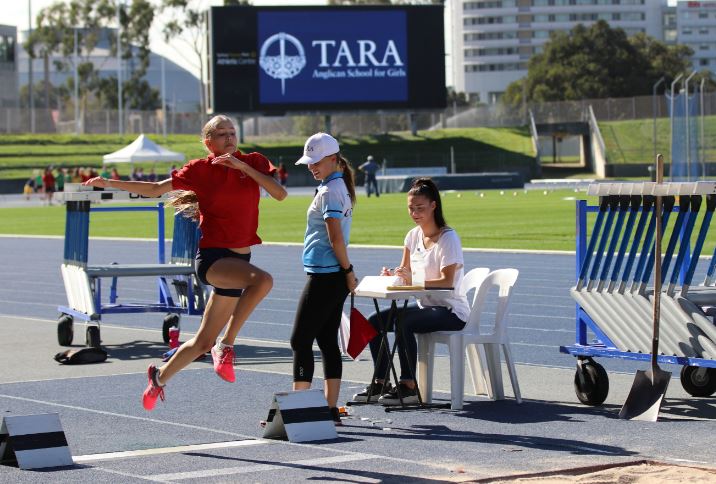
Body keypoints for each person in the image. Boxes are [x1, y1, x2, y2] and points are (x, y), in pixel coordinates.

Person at [83, 114, 288, 411]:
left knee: (201, 342)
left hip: (240, 262)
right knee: (263, 281)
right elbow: (155, 190)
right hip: (215, 260)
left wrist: (241, 166)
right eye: (221, 134)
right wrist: (105, 181)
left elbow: (279, 194)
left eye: (232, 132)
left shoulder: (253, 162)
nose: (229, 137)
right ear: (209, 143)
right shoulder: (200, 170)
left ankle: (158, 379)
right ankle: (226, 345)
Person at [352, 177, 469, 406]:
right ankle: (381, 381)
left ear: (434, 206)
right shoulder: (412, 236)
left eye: (420, 208)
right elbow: (405, 274)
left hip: (451, 309)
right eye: (411, 208)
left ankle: (408, 386)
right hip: (426, 306)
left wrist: (412, 279)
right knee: (374, 321)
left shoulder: (448, 238)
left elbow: (447, 281)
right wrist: (394, 276)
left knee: (403, 322)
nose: (415, 213)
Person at [291, 133, 357, 426]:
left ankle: (299, 411)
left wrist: (347, 271)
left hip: (326, 275)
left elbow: (335, 238)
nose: (311, 166)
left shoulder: (331, 190)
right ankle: (329, 410)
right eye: (309, 162)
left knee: (300, 340)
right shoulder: (335, 186)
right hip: (331, 275)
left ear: (332, 159)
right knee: (327, 340)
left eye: (316, 161)